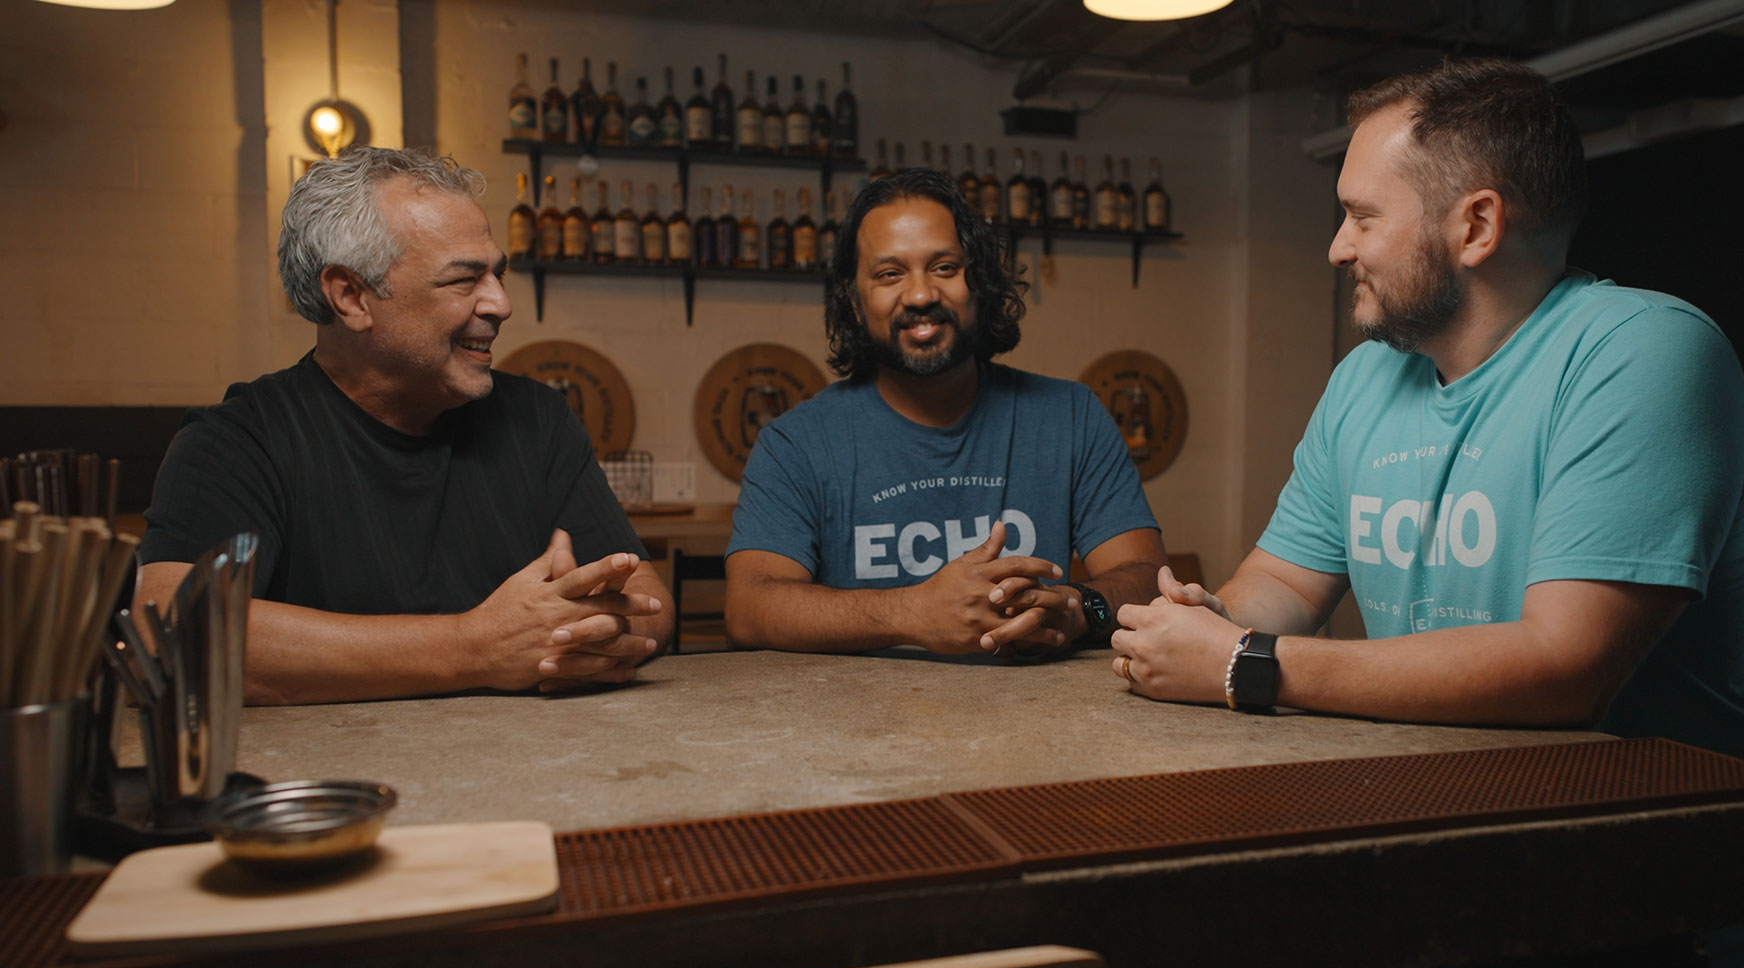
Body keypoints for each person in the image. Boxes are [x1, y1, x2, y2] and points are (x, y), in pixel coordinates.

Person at [1110, 59, 1744, 968]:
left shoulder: (1642, 352)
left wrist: (1242, 663)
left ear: (1475, 226)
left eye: (1361, 215)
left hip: (1644, 906)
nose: (1335, 246)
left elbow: (1565, 668)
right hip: (1460, 864)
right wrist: (1204, 613)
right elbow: (1287, 585)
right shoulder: (1365, 381)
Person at [137, 147, 673, 704]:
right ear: (351, 297)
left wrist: (578, 637)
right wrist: (475, 648)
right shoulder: (240, 440)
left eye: (498, 274)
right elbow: (171, 629)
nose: (500, 304)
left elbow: (647, 595)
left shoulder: (537, 419)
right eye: (464, 280)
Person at [725, 168, 1164, 656]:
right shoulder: (797, 443)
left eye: (944, 268)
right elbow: (749, 609)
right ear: (853, 302)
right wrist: (914, 614)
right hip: (855, 723)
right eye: (890, 274)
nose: (920, 295)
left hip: (1041, 721)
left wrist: (1077, 608)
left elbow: (1146, 579)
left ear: (980, 283)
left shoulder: (1071, 416)